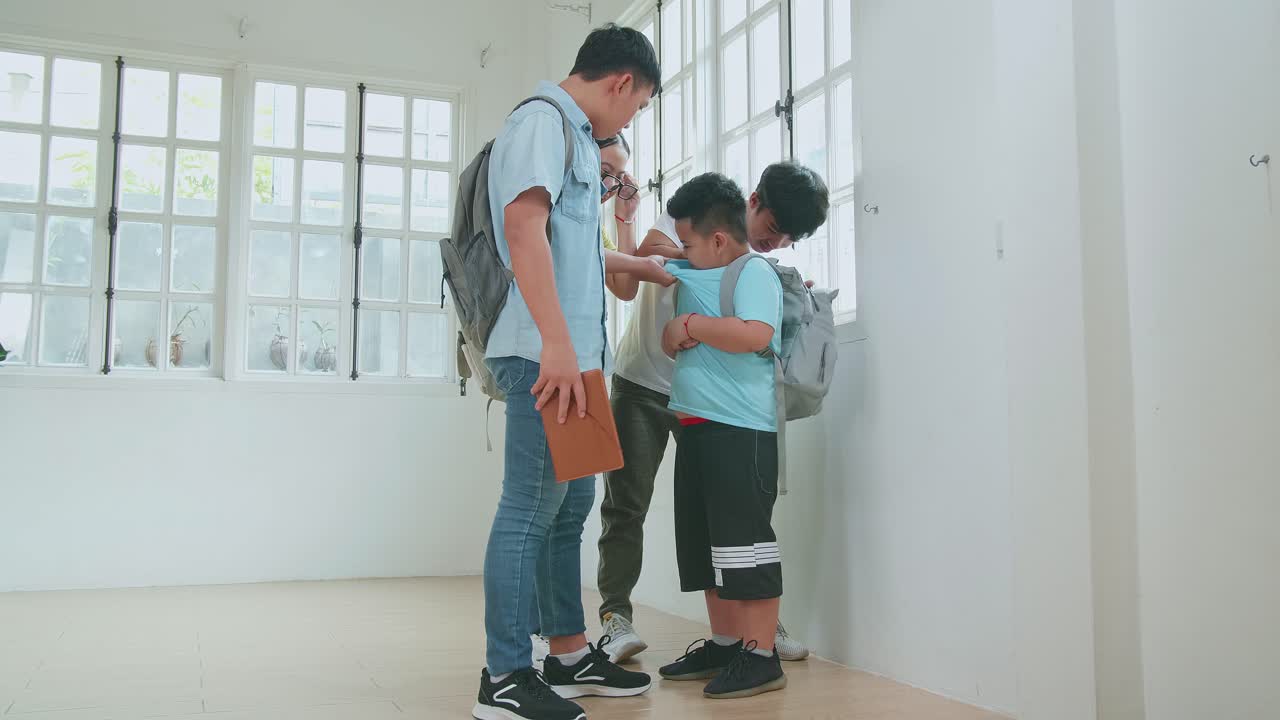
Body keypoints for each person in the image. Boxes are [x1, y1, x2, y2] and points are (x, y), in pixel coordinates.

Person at [474, 24, 662, 720]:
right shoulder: (540, 123)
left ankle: (567, 652)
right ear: (622, 83)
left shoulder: (580, 139)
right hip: (543, 353)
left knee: (571, 504)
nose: (633, 116)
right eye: (639, 104)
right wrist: (555, 344)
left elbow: (572, 249)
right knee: (529, 508)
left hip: (575, 357)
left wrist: (636, 263)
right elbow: (523, 231)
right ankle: (504, 677)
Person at [597, 161, 829, 663]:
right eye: (772, 227)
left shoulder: (757, 267)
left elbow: (757, 331)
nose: (774, 242)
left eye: (786, 239)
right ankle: (616, 616)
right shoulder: (698, 214)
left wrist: (767, 284)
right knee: (626, 505)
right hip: (644, 382)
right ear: (753, 200)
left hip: (712, 402)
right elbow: (646, 258)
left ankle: (753, 628)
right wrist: (711, 255)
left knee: (735, 513)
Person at [655, 172, 788, 699]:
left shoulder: (753, 271)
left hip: (740, 430)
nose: (682, 251)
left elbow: (755, 333)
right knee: (706, 544)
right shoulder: (694, 272)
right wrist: (675, 333)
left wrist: (687, 325)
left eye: (688, 242)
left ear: (716, 240)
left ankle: (761, 655)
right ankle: (727, 643)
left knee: (745, 544)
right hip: (696, 428)